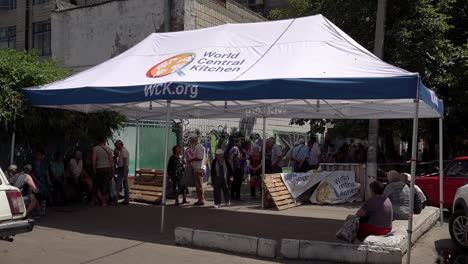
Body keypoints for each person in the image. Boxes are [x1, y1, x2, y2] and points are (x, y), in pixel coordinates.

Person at [92, 137, 115, 206]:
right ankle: (104, 202)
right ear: (104, 141)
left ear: (98, 141)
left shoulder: (95, 148)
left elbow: (93, 160)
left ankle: (95, 201)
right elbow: (111, 161)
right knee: (105, 185)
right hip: (108, 168)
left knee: (97, 185)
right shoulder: (108, 149)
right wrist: (113, 170)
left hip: (99, 168)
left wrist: (94, 169)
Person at [189, 134, 206, 206]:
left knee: (199, 185)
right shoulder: (198, 146)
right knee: (198, 185)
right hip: (198, 168)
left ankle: (201, 200)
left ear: (194, 140)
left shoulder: (199, 147)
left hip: (199, 169)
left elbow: (200, 158)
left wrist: (192, 159)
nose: (190, 141)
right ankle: (200, 199)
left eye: (191, 139)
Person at [114, 140, 130, 205]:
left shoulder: (123, 151)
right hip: (122, 168)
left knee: (118, 184)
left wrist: (124, 172)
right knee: (124, 184)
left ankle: (116, 200)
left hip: (123, 169)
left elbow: (125, 162)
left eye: (116, 145)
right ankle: (126, 200)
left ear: (120, 144)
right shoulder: (122, 151)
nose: (116, 147)